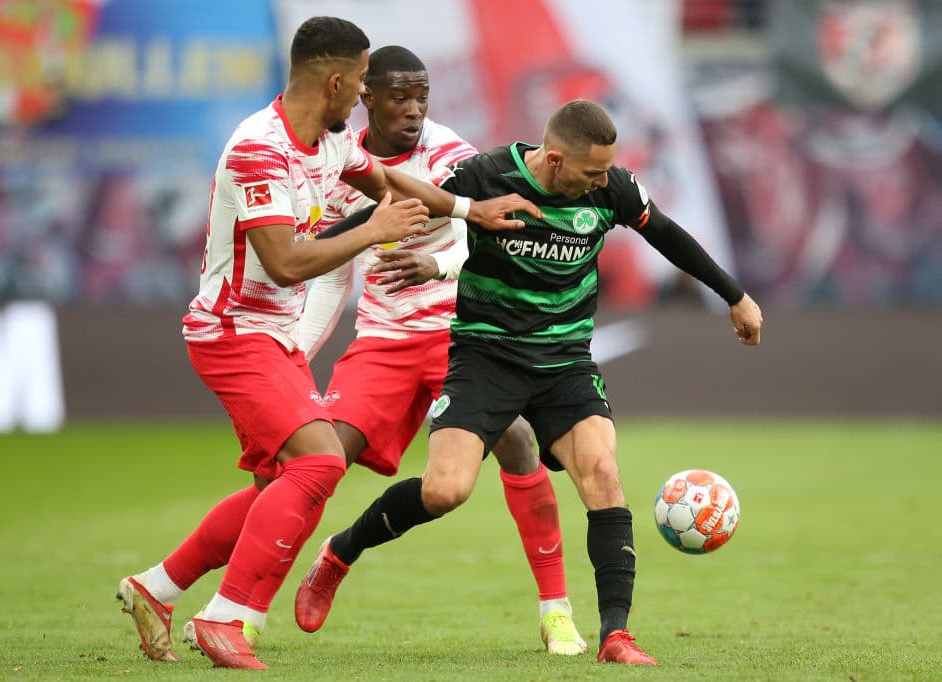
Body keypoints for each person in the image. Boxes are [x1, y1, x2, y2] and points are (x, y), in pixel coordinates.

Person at [115, 17, 538, 671]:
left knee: (281, 484)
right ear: (338, 81)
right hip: (234, 333)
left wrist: (468, 212)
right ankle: (226, 618)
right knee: (320, 464)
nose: (368, 93)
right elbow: (284, 262)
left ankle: (157, 587)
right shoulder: (260, 148)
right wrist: (373, 234)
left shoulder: (332, 140)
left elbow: (392, 186)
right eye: (364, 80)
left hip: (273, 338)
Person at [294, 98, 764, 667]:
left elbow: (666, 233)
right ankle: (340, 552)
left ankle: (617, 635)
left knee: (603, 473)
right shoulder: (487, 176)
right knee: (446, 490)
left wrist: (734, 296)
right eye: (592, 171)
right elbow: (406, 202)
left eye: (606, 171)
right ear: (556, 159)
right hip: (485, 357)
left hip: (564, 361)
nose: (602, 181)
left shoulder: (610, 187)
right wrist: (310, 251)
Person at [293, 45, 587, 655]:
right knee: (314, 464)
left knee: (517, 442)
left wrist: (435, 265)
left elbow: (475, 239)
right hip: (383, 339)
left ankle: (556, 609)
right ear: (365, 97)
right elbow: (329, 272)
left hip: (461, 336)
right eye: (400, 98)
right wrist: (293, 352)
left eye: (422, 97)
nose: (414, 110)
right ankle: (241, 607)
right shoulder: (337, 162)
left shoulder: (452, 154)